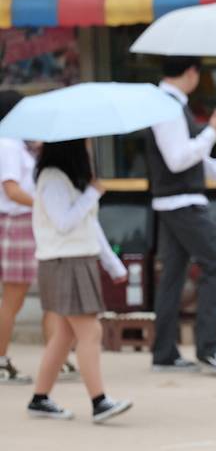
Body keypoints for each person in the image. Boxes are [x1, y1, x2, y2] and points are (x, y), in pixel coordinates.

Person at [146, 56, 216, 375]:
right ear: (191, 73)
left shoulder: (168, 104)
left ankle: (165, 353)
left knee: (173, 276)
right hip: (182, 202)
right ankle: (208, 348)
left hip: (174, 201)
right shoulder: (167, 106)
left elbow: (191, 156)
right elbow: (179, 159)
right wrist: (212, 133)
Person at [28, 140, 132, 423]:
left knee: (65, 335)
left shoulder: (71, 180)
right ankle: (99, 402)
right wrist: (92, 194)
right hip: (65, 263)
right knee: (90, 332)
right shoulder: (52, 178)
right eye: (84, 143)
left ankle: (40, 398)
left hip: (76, 261)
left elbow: (89, 226)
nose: (88, 149)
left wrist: (112, 263)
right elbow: (64, 222)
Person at [0, 90, 78, 384]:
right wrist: (45, 205)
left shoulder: (21, 142)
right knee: (13, 299)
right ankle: (1, 360)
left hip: (29, 224)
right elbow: (11, 189)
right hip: (17, 223)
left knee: (49, 295)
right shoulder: (7, 143)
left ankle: (55, 358)